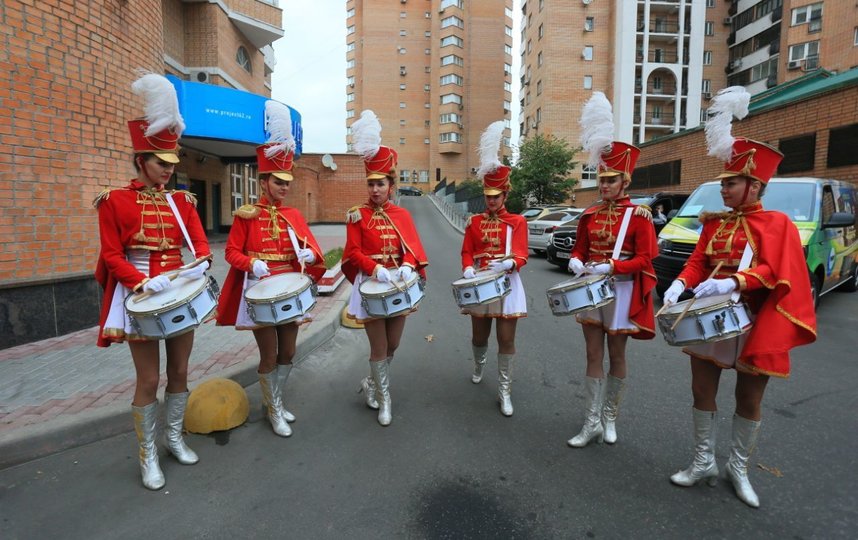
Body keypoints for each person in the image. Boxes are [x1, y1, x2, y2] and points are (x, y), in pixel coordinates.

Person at [662, 87, 816, 508]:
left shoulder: (778, 224)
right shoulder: (714, 224)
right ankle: (702, 461)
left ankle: (739, 468)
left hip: (753, 320)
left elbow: (776, 272)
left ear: (754, 184)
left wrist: (734, 282)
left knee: (748, 397)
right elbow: (697, 262)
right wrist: (681, 284)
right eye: (724, 183)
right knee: (701, 390)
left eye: (731, 183)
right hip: (709, 318)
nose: (724, 190)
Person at [94, 73, 212, 490]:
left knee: (179, 370)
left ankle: (174, 439)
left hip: (178, 292)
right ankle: (147, 455)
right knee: (148, 379)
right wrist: (140, 282)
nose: (168, 172)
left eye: (173, 165)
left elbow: (200, 245)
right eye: (162, 164)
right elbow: (111, 254)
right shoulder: (114, 201)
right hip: (139, 293)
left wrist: (198, 265)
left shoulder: (183, 201)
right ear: (141, 160)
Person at [216, 101, 326, 438]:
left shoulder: (293, 215)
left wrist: (308, 255)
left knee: (289, 351)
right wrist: (252, 263)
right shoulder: (246, 214)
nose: (284, 187)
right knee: (269, 354)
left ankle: (274, 400)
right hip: (260, 291)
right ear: (264, 181)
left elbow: (312, 247)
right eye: (278, 181)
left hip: (289, 290)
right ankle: (273, 409)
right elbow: (231, 253)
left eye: (287, 182)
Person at [566, 91, 658, 448]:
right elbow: (580, 248)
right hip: (591, 288)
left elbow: (646, 261)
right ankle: (590, 422)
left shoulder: (639, 216)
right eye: (601, 179)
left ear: (625, 182)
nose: (604, 185)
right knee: (592, 353)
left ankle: (610, 417)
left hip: (620, 292)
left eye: (611, 180)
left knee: (617, 354)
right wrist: (576, 259)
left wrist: (613, 265)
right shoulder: (588, 213)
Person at [342, 110, 428, 426]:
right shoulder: (357, 215)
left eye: (380, 183)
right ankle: (383, 400)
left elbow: (413, 249)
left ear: (391, 184)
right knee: (379, 346)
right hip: (371, 287)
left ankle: (372, 382)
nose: (375, 189)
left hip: (398, 286)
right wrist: (373, 268)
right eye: (371, 184)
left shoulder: (402, 216)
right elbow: (352, 252)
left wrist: (407, 266)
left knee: (394, 345)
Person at [460, 121, 528, 417]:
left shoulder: (518, 222)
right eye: (487, 197)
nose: (490, 202)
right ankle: (478, 363)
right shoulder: (474, 222)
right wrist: (467, 269)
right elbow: (466, 251)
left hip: (508, 284)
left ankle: (504, 389)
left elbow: (523, 253)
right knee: (479, 336)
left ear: (505, 196)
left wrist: (512, 261)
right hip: (480, 284)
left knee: (506, 339)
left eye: (496, 197)